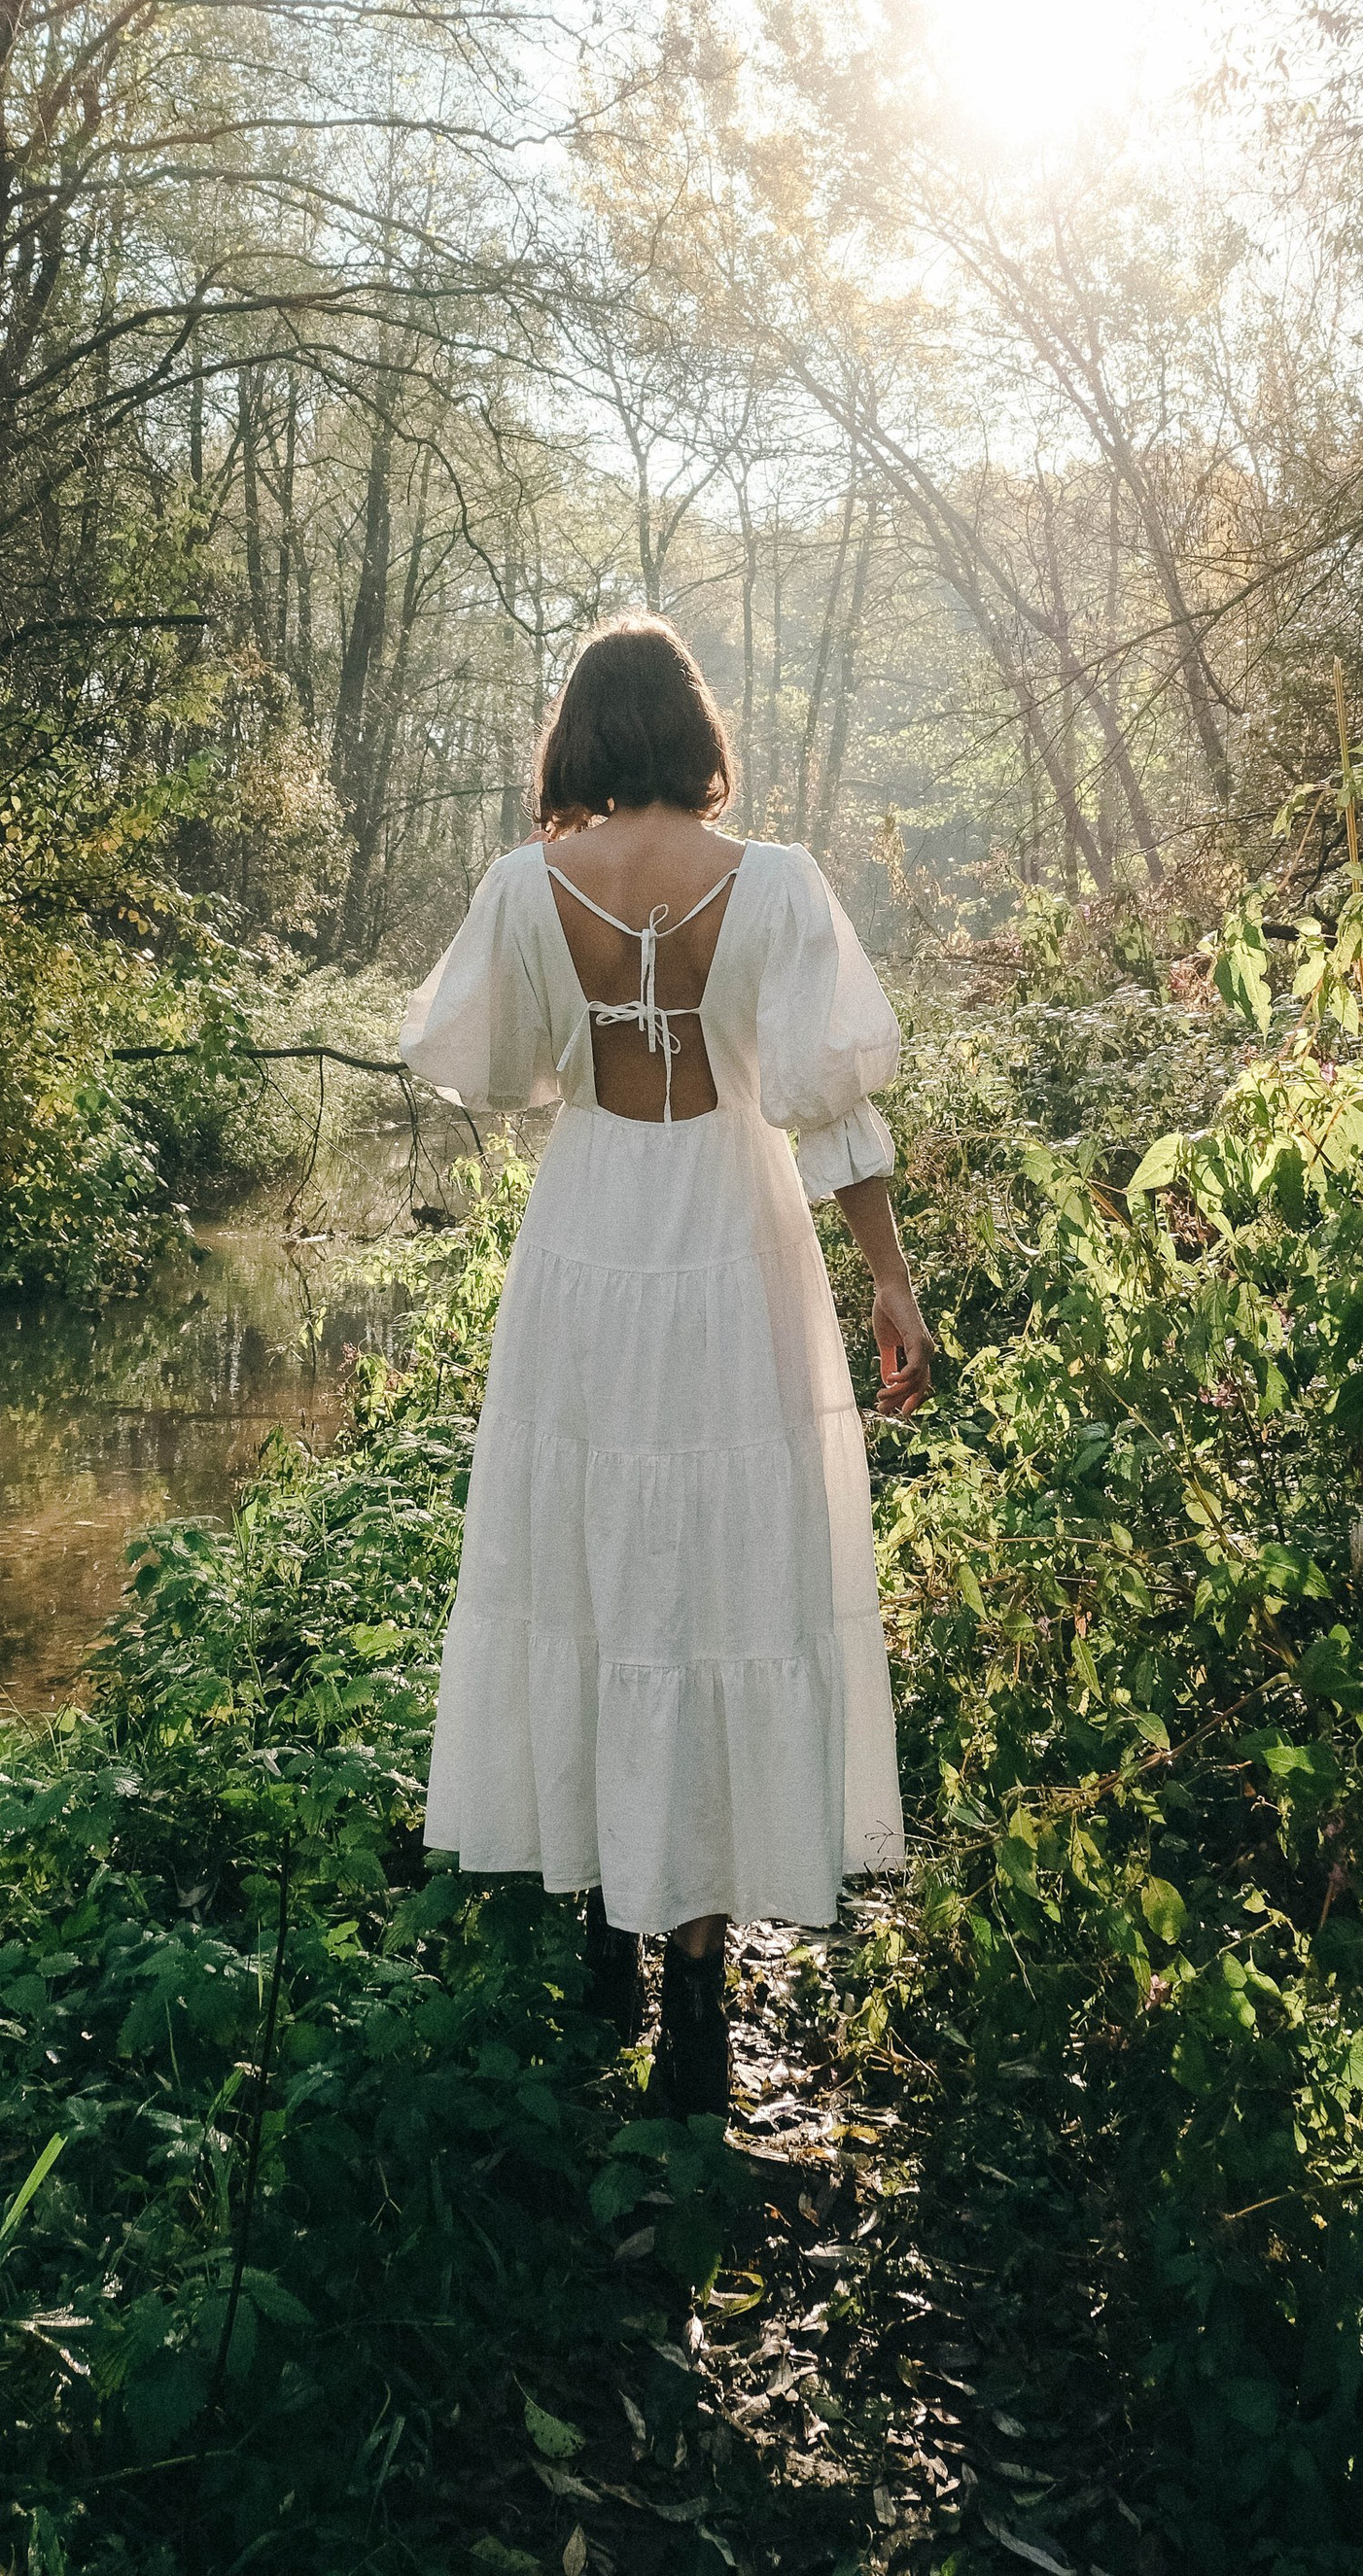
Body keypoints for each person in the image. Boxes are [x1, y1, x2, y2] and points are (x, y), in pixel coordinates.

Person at [399, 612, 933, 2114]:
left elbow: (489, 1071)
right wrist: (890, 1283)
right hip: (728, 1235)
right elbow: (829, 1110)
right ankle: (695, 1989)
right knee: (715, 1570)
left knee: (586, 1556)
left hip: (589, 1236)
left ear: (578, 736)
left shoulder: (526, 885)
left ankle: (603, 1931)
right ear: (694, 734)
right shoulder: (773, 885)